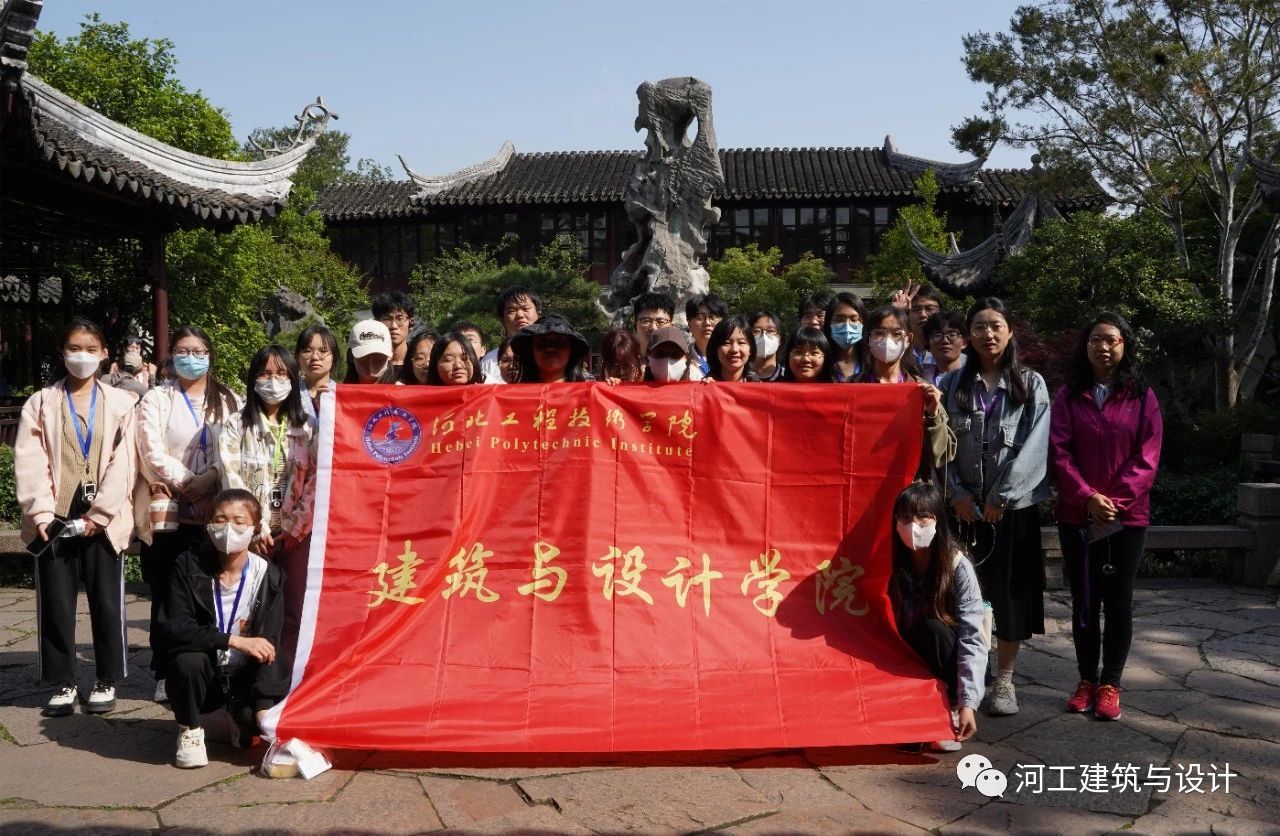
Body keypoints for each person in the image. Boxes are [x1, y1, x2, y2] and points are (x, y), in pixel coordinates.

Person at [15, 319, 137, 717]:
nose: (81, 355)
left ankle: (106, 679)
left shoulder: (122, 404)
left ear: (104, 353)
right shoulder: (40, 403)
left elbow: (125, 462)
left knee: (107, 600)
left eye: (90, 348)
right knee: (55, 601)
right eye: (73, 348)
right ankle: (62, 681)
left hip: (106, 516)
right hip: (54, 514)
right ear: (62, 352)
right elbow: (30, 459)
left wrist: (101, 514)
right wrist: (40, 510)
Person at [939, 297, 1050, 718]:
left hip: (1011, 510)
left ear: (1010, 332)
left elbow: (1037, 445)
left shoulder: (1030, 384)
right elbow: (938, 444)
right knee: (962, 595)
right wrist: (956, 495)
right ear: (969, 336)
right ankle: (969, 674)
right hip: (963, 510)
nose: (988, 334)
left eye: (996, 326)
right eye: (980, 327)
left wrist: (1000, 498)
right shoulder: (951, 384)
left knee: (1010, 595)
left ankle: (1004, 679)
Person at [1050, 312, 1163, 722]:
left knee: (1118, 604)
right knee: (1084, 601)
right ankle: (1086, 680)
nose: (1103, 347)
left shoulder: (1142, 396)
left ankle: (1110, 683)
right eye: (1096, 339)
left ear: (1124, 346)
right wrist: (1087, 497)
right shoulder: (1068, 395)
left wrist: (1112, 501)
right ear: (1085, 346)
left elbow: (1148, 457)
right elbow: (1058, 451)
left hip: (1126, 519)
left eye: (1112, 340)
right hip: (1077, 516)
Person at [135, 325, 242, 705]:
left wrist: (210, 477)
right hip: (171, 510)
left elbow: (236, 445)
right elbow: (150, 447)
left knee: (213, 590)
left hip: (216, 509)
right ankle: (166, 670)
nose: (191, 358)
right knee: (167, 592)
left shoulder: (230, 399)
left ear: (210, 355)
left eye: (198, 351)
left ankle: (210, 667)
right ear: (172, 356)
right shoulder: (157, 398)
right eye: (183, 351)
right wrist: (187, 482)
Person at [164, 489, 288, 769]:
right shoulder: (187, 566)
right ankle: (190, 729)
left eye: (239, 521)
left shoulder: (269, 576)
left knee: (255, 729)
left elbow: (270, 644)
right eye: (220, 519)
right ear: (209, 525)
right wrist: (233, 640)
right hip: (205, 669)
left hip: (243, 674)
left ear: (254, 528)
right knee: (187, 661)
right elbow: (176, 628)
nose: (228, 528)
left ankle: (239, 714)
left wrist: (263, 710)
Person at [217, 345, 316, 666]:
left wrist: (294, 527)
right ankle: (246, 676)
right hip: (251, 537)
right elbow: (231, 476)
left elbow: (316, 480)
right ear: (253, 379)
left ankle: (285, 675)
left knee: (294, 609)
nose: (273, 381)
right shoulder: (236, 425)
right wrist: (255, 527)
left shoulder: (308, 428)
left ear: (293, 379)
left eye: (282, 373)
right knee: (250, 608)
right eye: (265, 373)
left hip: (294, 536)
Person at [888, 481, 985, 752]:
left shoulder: (957, 566)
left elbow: (972, 637)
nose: (913, 525)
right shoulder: (891, 565)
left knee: (933, 628)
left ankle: (948, 707)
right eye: (905, 518)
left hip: (946, 655)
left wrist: (967, 703)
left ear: (938, 520)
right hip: (907, 656)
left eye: (923, 516)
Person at [857, 306, 954, 472]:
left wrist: (933, 415)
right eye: (879, 333)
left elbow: (943, 455)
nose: (887, 340)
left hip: (910, 483)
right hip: (864, 478)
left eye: (896, 334)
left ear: (908, 339)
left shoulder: (922, 390)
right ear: (868, 338)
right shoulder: (853, 388)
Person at [481, 287, 542, 384]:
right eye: (512, 311)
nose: (520, 315)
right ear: (502, 319)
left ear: (538, 313)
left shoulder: (552, 353)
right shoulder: (490, 361)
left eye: (525, 309)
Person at [511, 313, 594, 383]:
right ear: (530, 350)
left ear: (571, 350)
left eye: (559, 343)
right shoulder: (512, 395)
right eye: (542, 343)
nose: (550, 349)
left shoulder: (590, 393)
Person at [891, 281, 943, 368]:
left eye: (929, 309)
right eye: (916, 309)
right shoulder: (896, 350)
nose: (923, 315)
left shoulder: (954, 349)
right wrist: (894, 314)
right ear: (907, 314)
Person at [295, 324, 337, 419]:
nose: (314, 357)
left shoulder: (343, 396)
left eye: (323, 351)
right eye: (307, 351)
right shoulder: (288, 396)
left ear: (334, 357)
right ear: (297, 357)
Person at [824, 292, 867, 382]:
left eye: (853, 319)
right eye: (839, 320)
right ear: (829, 322)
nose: (847, 326)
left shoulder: (872, 362)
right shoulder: (821, 363)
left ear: (862, 322)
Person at [371, 291, 416, 375]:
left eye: (400, 318)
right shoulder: (369, 364)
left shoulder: (419, 364)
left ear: (410, 322)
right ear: (377, 322)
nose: (394, 326)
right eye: (387, 319)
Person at [685, 293, 727, 379]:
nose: (707, 323)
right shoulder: (681, 358)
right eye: (700, 318)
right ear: (689, 324)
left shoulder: (733, 356)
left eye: (712, 317)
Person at [705, 316, 759, 382]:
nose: (734, 349)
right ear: (715, 349)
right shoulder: (705, 386)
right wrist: (706, 386)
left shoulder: (760, 387)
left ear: (751, 349)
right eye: (726, 343)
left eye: (741, 342)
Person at [343, 320, 398, 384]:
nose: (370, 365)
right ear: (351, 356)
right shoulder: (336, 390)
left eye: (378, 356)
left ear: (390, 354)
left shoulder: (401, 390)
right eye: (363, 356)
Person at [923, 311, 968, 384]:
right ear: (928, 342)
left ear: (964, 342)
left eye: (952, 335)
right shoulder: (919, 379)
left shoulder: (976, 378)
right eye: (938, 335)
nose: (945, 341)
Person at [749, 311, 786, 382]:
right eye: (757, 331)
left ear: (780, 339)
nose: (764, 337)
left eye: (770, 331)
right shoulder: (739, 375)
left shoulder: (788, 377)